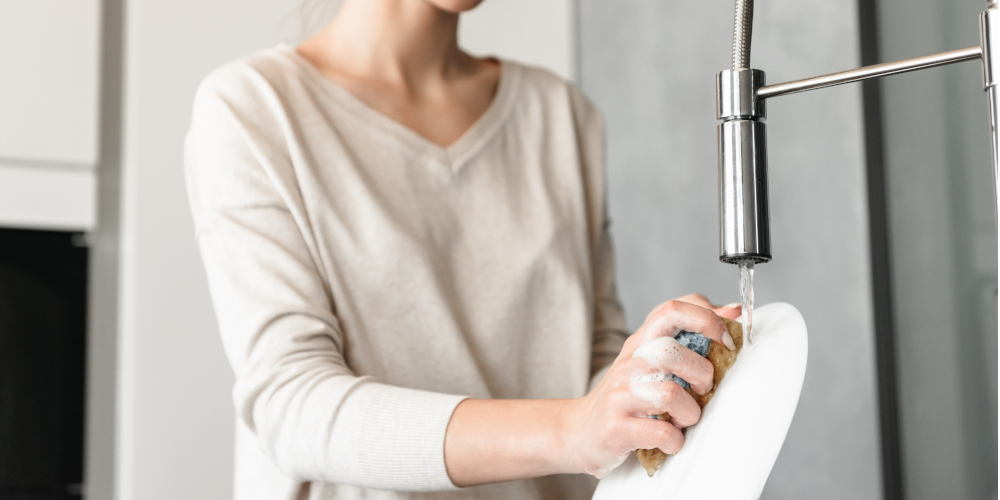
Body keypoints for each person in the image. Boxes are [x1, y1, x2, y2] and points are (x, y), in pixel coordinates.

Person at [184, 0, 742, 498]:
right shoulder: (253, 109)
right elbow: (293, 406)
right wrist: (573, 428)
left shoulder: (561, 115)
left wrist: (651, 378)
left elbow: (591, 364)